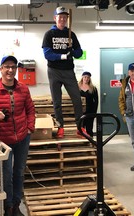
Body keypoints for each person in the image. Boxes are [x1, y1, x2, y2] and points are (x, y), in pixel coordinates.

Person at [0, 55, 36, 216]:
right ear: (1, 69)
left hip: (23, 138)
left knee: (18, 172)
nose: (10, 70)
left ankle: (16, 205)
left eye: (13, 67)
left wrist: (30, 127)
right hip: (3, 141)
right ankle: (7, 207)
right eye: (7, 66)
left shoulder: (23, 88)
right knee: (7, 175)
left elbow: (30, 109)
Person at [42, 6, 87, 138]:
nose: (62, 19)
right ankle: (60, 126)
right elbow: (47, 54)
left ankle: (80, 127)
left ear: (67, 19)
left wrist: (72, 50)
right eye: (60, 17)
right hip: (54, 71)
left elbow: (79, 53)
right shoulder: (49, 34)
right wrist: (63, 56)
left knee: (77, 99)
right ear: (55, 18)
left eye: (64, 17)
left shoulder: (71, 34)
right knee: (57, 101)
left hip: (68, 71)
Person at [78, 71, 99, 137]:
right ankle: (82, 143)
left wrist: (94, 113)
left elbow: (96, 101)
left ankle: (91, 142)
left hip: (90, 111)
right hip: (80, 111)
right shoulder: (77, 87)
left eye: (88, 77)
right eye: (85, 77)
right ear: (82, 77)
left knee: (89, 128)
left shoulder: (93, 88)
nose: (86, 79)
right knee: (81, 128)